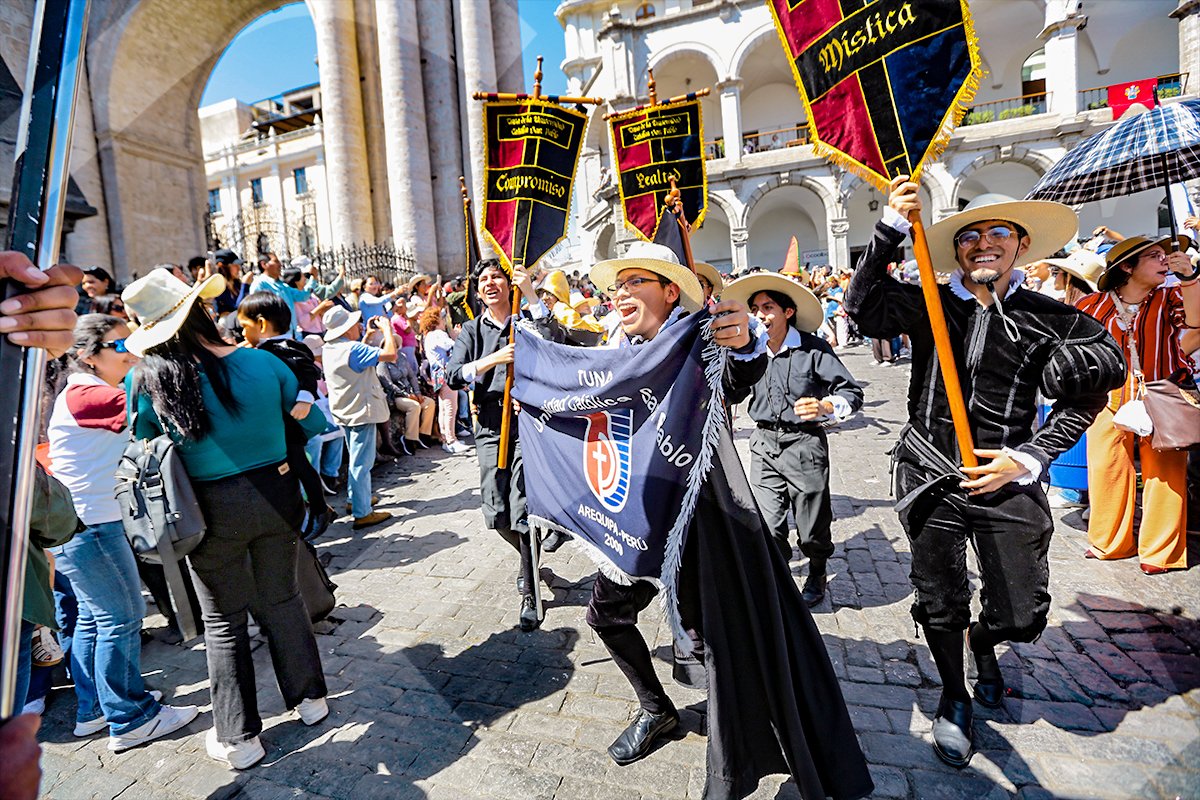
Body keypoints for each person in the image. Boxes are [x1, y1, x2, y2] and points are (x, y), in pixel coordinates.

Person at [844, 177, 1125, 768]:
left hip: (1007, 476)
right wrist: (892, 228)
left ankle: (984, 642)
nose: (983, 244)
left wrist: (1031, 456)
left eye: (999, 233)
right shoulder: (930, 302)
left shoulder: (1054, 317)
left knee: (1023, 615)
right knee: (940, 598)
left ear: (1021, 245)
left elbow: (1090, 393)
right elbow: (863, 308)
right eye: (969, 236)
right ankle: (953, 695)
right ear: (958, 250)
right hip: (931, 471)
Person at [576, 241, 872, 799]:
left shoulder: (701, 343)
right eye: (618, 285)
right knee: (606, 616)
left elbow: (737, 373)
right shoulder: (612, 349)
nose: (621, 293)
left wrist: (741, 344)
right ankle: (655, 709)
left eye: (636, 281)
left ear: (671, 292)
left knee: (716, 635)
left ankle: (739, 750)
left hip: (699, 520)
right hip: (630, 516)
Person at [123, 269, 329, 770]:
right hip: (278, 496)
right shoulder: (262, 362)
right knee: (283, 598)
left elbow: (142, 442)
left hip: (207, 510)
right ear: (202, 311)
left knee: (222, 620)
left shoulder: (145, 379)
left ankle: (239, 738)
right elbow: (315, 423)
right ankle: (311, 701)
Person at [46, 314, 198, 750]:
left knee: (96, 620)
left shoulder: (86, 390)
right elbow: (151, 409)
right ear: (88, 356)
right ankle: (130, 718)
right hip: (92, 524)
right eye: (118, 345)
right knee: (121, 618)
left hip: (84, 522)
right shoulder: (89, 394)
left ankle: (97, 709)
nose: (130, 350)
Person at [724, 272, 864, 607]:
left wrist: (825, 405)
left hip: (805, 447)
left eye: (768, 307)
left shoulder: (813, 348)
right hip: (764, 446)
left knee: (812, 528)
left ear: (787, 312)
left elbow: (852, 392)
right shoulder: (749, 351)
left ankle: (817, 569)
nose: (760, 314)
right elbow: (732, 391)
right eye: (755, 307)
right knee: (768, 525)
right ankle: (780, 579)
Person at [1075, 235, 1200, 574]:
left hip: (1162, 392)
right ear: (1127, 267)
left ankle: (1161, 553)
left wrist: (1189, 277)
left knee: (1165, 473)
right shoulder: (1092, 305)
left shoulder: (1170, 296)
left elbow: (1197, 321)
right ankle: (1108, 543)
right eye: (1154, 256)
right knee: (1107, 469)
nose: (1165, 261)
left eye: (1165, 255)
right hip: (1107, 397)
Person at [446, 259, 558, 631]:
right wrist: (491, 360)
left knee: (522, 507)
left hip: (527, 421)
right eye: (483, 279)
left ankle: (529, 589)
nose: (490, 283)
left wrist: (530, 293)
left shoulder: (526, 321)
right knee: (497, 512)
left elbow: (558, 342)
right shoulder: (471, 330)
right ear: (477, 291)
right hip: (492, 425)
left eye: (497, 276)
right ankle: (532, 555)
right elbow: (452, 374)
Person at [237, 292, 336, 539]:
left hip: (290, 424)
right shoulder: (265, 350)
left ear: (260, 324)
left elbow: (309, 370)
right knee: (292, 468)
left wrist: (305, 398)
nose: (241, 333)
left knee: (299, 465)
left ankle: (320, 510)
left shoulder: (284, 347)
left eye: (244, 327)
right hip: (280, 423)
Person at [321, 305, 397, 529]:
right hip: (361, 410)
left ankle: (355, 500)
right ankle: (363, 512)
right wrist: (387, 329)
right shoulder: (353, 349)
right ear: (345, 330)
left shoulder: (331, 348)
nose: (359, 326)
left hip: (345, 410)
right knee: (362, 462)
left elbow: (354, 360)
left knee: (356, 458)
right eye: (355, 324)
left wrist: (367, 336)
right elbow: (390, 354)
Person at [375, 332, 437, 455]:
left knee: (429, 403)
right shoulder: (382, 364)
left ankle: (424, 434)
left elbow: (412, 376)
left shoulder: (401, 357)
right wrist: (407, 395)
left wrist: (417, 392)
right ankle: (409, 439)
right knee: (413, 406)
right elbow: (388, 385)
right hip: (396, 396)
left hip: (410, 392)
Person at [419, 307, 468, 454]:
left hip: (437, 375)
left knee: (445, 408)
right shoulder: (438, 334)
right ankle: (451, 440)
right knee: (450, 408)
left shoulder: (428, 336)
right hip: (446, 373)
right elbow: (454, 346)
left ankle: (447, 439)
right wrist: (458, 335)